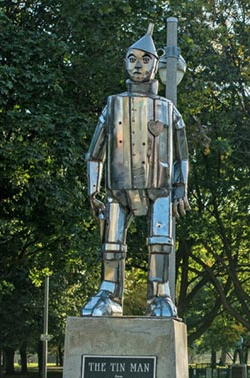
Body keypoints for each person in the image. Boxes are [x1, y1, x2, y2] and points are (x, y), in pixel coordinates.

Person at [81, 24, 190, 318]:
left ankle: (159, 294)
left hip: (159, 187)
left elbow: (182, 154)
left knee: (160, 241)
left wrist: (181, 187)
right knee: (112, 242)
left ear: (155, 64)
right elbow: (95, 153)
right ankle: (108, 290)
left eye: (144, 60)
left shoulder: (168, 109)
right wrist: (92, 190)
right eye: (132, 59)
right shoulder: (113, 105)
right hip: (119, 186)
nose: (138, 66)